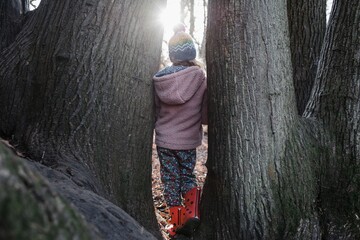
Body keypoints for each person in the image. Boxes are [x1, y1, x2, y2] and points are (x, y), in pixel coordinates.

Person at [153, 23, 207, 238]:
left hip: (165, 140)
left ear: (172, 54)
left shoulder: (160, 79)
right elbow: (204, 113)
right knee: (187, 175)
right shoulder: (200, 78)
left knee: (170, 180)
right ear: (191, 53)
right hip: (188, 140)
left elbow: (157, 110)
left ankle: (175, 224)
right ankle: (191, 213)